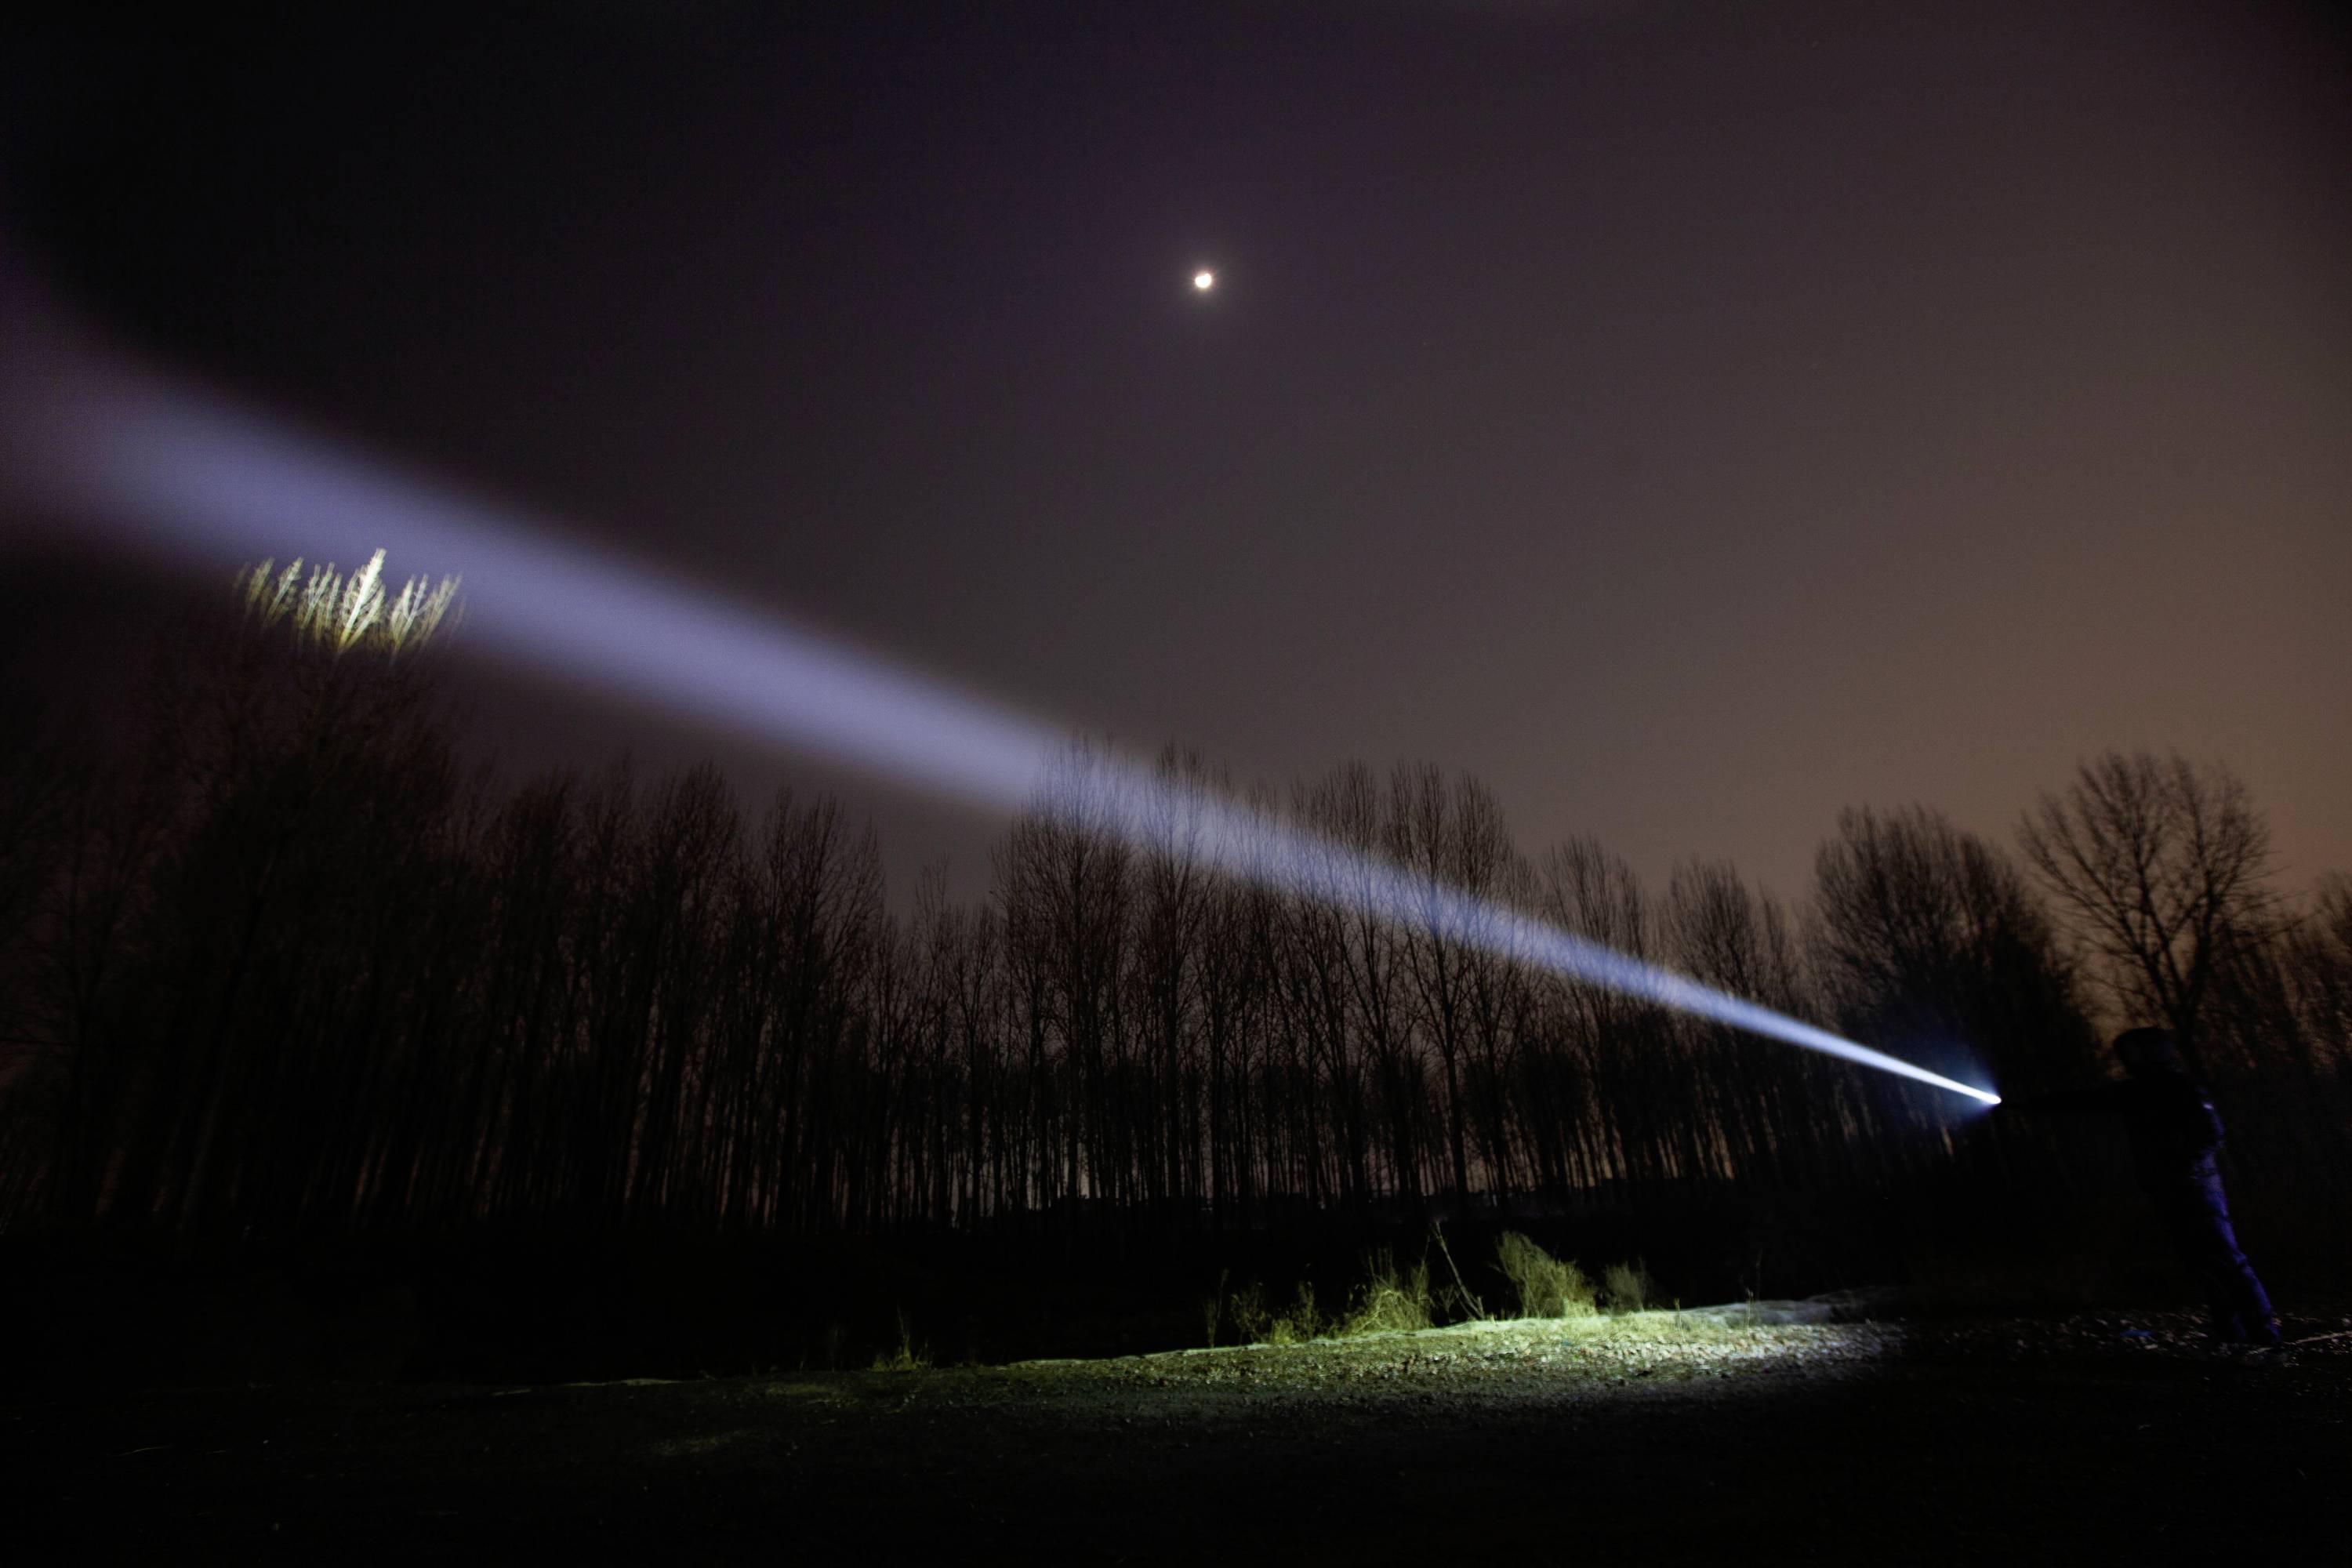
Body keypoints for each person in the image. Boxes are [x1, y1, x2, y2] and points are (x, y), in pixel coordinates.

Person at [2011, 1027, 2279, 1348]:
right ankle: (2231, 1334)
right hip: (2170, 1189)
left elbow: (2210, 1133)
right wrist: (2027, 1105)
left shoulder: (2180, 1087)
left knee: (2225, 1260)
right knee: (2203, 1264)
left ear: (2152, 1052)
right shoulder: (2139, 1091)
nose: (2127, 1059)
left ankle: (2264, 1336)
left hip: (2196, 1190)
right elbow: (2086, 1101)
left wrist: (2183, 1167)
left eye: (2133, 1052)